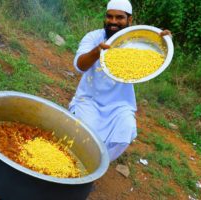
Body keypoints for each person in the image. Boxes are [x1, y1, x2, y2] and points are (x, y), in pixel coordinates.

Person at [69, 0, 171, 161]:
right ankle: (77, 160)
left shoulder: (137, 43)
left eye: (119, 17)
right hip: (89, 100)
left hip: (120, 104)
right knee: (85, 134)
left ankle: (96, 164)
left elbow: (157, 52)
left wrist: (164, 40)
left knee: (126, 131)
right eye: (109, 17)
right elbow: (79, 66)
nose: (113, 22)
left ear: (129, 20)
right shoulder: (94, 37)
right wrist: (97, 51)